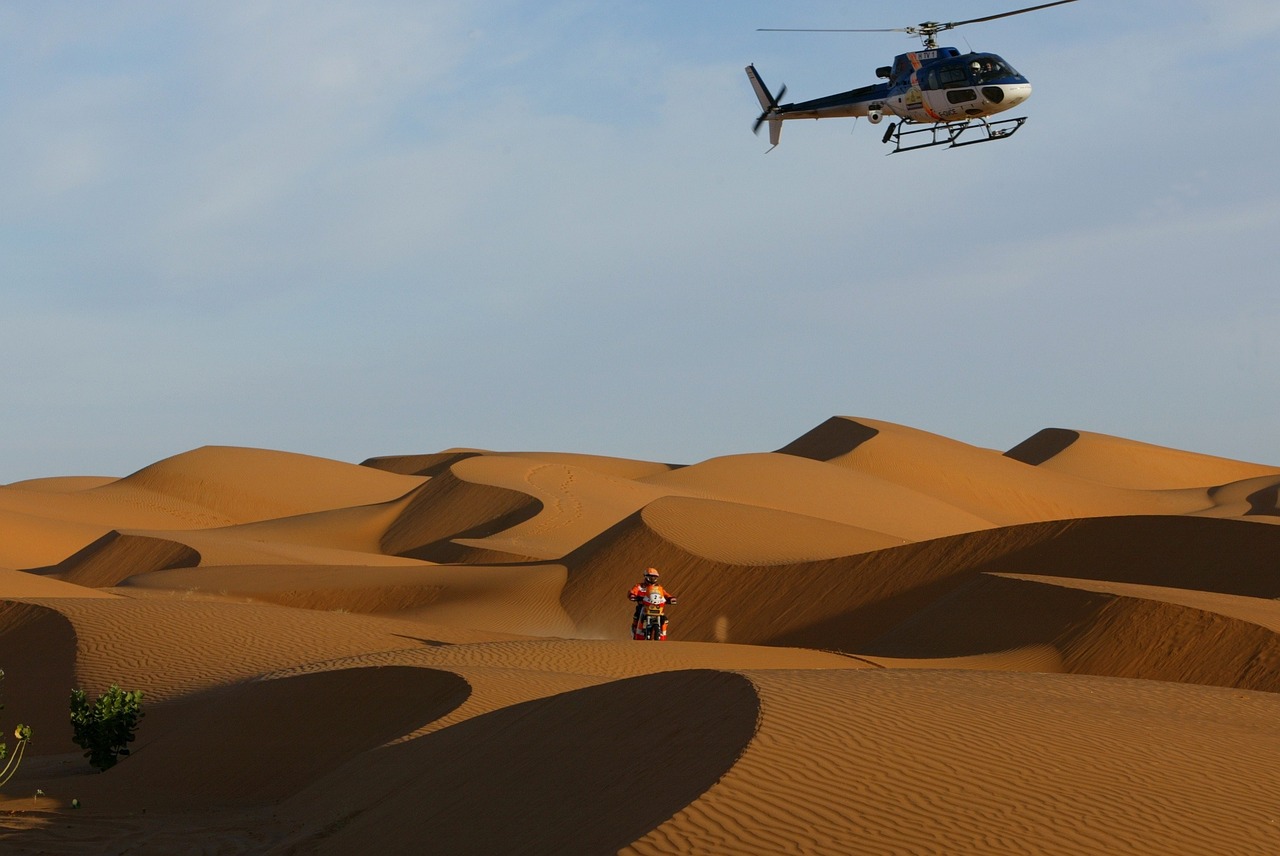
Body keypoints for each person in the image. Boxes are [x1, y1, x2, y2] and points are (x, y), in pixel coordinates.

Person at [628, 568, 677, 640]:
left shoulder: (658, 587)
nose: (652, 579)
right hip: (643, 606)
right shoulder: (640, 586)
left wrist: (671, 598)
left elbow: (665, 594)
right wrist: (632, 595)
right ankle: (636, 632)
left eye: (654, 577)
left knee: (665, 620)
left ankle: (663, 635)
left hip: (657, 606)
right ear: (645, 576)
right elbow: (633, 591)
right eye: (650, 577)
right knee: (636, 616)